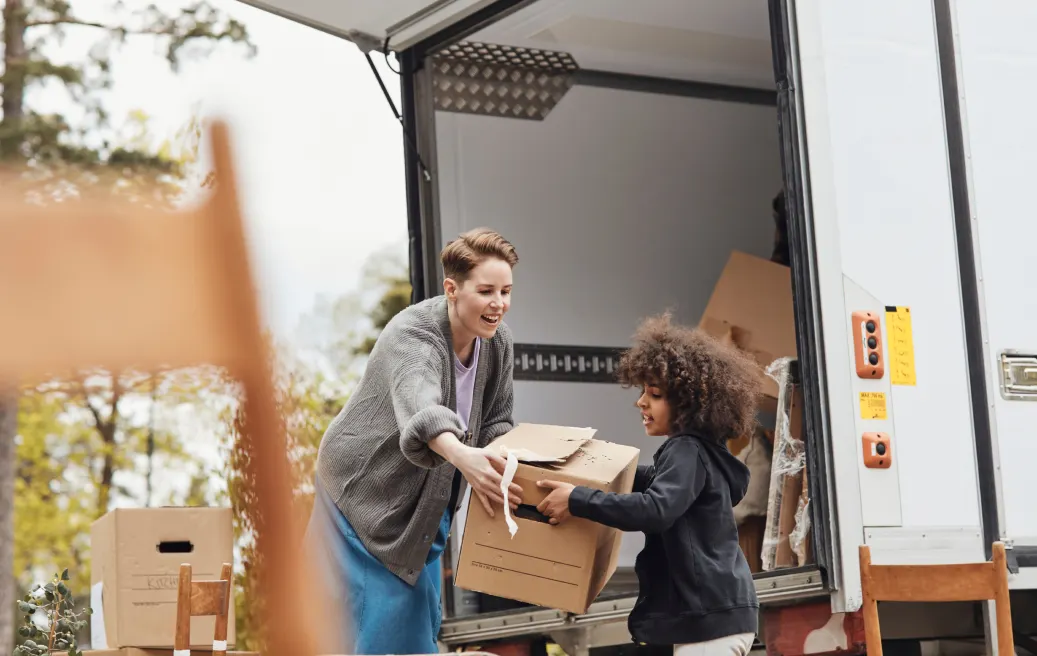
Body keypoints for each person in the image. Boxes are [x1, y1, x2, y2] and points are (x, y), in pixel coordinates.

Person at [304, 228, 524, 655]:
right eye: (486, 291)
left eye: (506, 291)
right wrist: (465, 458)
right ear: (452, 289)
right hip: (364, 495)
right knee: (380, 622)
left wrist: (511, 464)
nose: (499, 304)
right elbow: (422, 411)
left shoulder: (497, 344)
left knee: (416, 618)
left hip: (426, 495)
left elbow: (497, 419)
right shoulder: (414, 335)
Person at [537, 313, 762, 656]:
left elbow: (655, 509)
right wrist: (601, 469)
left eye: (654, 394)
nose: (640, 402)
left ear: (689, 402)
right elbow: (654, 484)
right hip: (717, 617)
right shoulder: (702, 453)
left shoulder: (686, 450)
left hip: (708, 623)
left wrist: (577, 499)